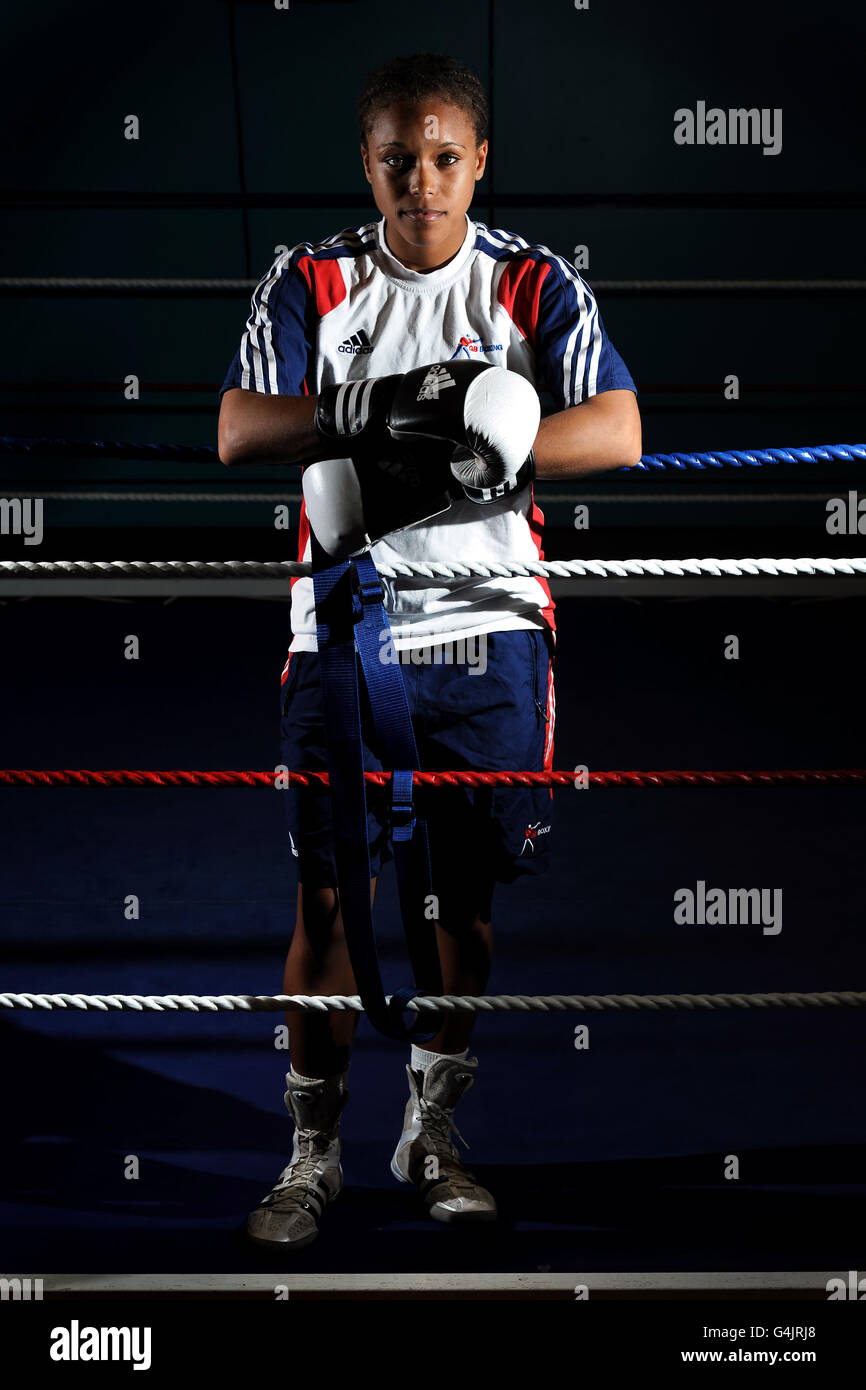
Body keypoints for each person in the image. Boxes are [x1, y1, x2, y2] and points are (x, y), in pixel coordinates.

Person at [218, 51, 641, 1251]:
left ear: (479, 159)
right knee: (326, 894)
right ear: (368, 162)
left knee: (460, 901)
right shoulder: (307, 279)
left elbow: (616, 428)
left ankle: (430, 1130)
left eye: (443, 155)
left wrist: (492, 443)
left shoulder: (530, 282)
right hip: (348, 618)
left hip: (491, 625)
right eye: (398, 158)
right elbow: (240, 425)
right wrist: (380, 407)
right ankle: (309, 1155)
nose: (421, 181)